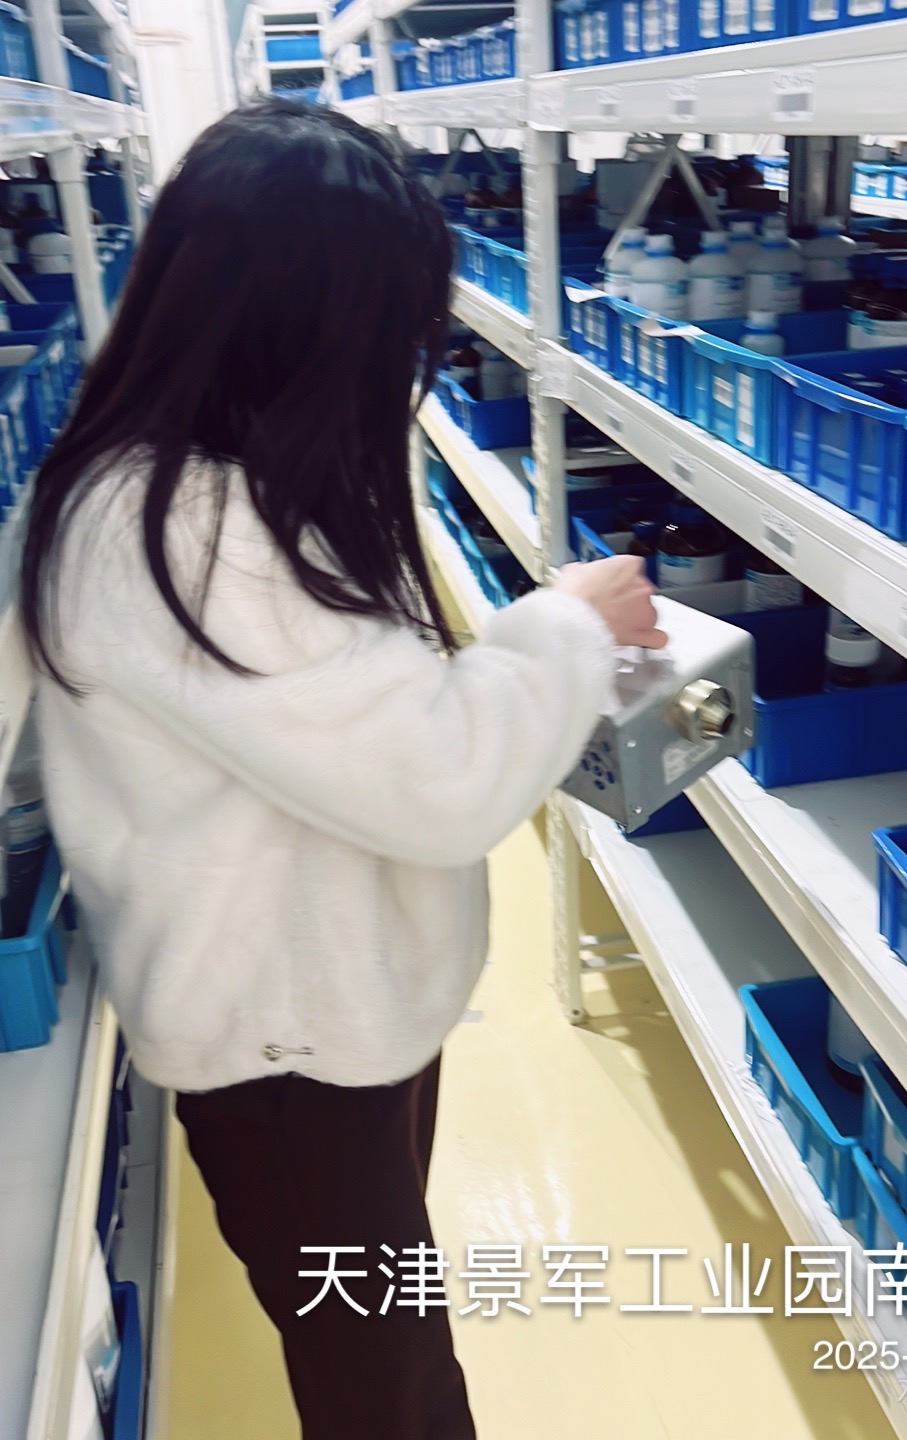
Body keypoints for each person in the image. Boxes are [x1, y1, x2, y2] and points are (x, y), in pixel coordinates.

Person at [21, 99, 664, 1438]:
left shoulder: (195, 473)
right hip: (288, 1053)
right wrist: (564, 625)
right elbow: (440, 780)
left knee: (379, 1345)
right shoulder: (180, 532)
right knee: (387, 1395)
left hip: (321, 1020)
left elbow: (351, 711)